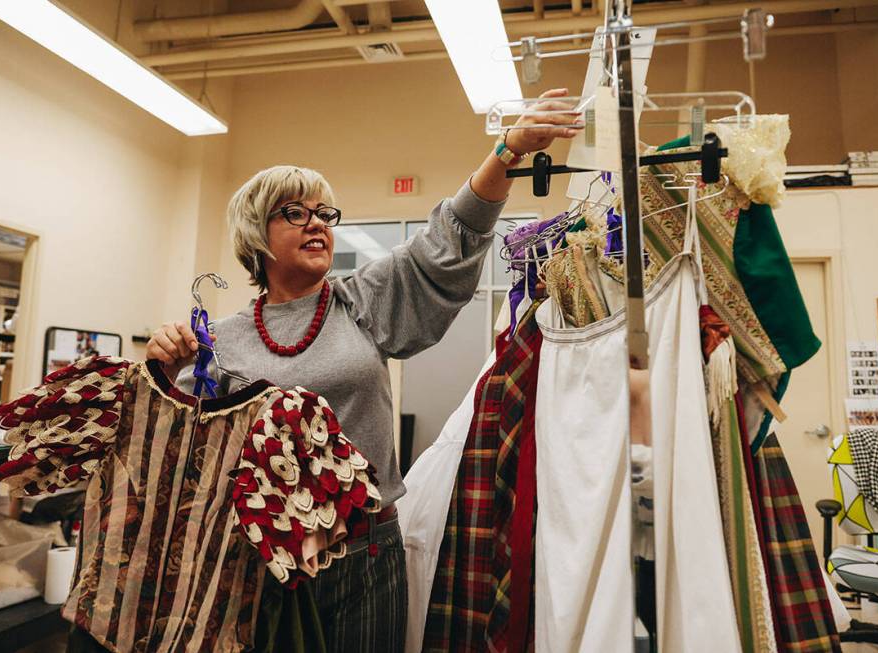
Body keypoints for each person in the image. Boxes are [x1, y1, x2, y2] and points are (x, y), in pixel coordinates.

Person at [146, 88, 580, 652]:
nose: (317, 224)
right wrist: (163, 367)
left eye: (325, 213)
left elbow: (448, 242)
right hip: (265, 560)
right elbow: (179, 450)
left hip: (368, 552)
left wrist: (507, 152)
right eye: (295, 213)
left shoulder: (360, 300)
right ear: (256, 233)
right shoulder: (219, 341)